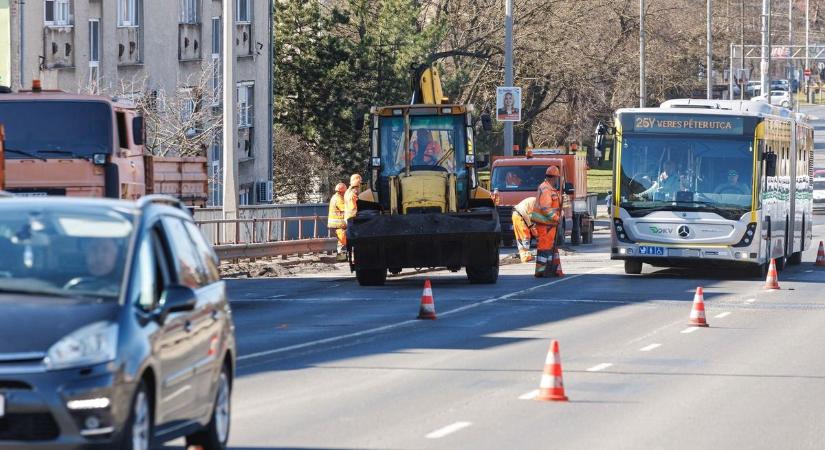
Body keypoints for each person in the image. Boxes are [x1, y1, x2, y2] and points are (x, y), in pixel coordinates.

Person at [531, 166, 562, 277]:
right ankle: (541, 271)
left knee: (548, 248)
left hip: (549, 225)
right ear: (553, 178)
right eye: (557, 178)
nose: (557, 180)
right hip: (545, 224)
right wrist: (556, 218)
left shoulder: (549, 188)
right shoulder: (546, 189)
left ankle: (549, 269)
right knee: (544, 248)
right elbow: (545, 208)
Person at [512, 196, 538, 263]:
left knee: (519, 238)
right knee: (525, 237)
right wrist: (531, 227)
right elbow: (530, 216)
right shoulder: (536, 202)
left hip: (515, 215)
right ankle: (526, 257)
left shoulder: (533, 200)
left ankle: (523, 256)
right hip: (520, 216)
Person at [327, 182, 348, 261]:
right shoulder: (339, 199)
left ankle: (342, 257)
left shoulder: (334, 197)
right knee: (342, 241)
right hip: (338, 225)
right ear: (341, 191)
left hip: (335, 225)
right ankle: (341, 258)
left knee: (341, 241)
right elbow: (345, 209)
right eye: (344, 192)